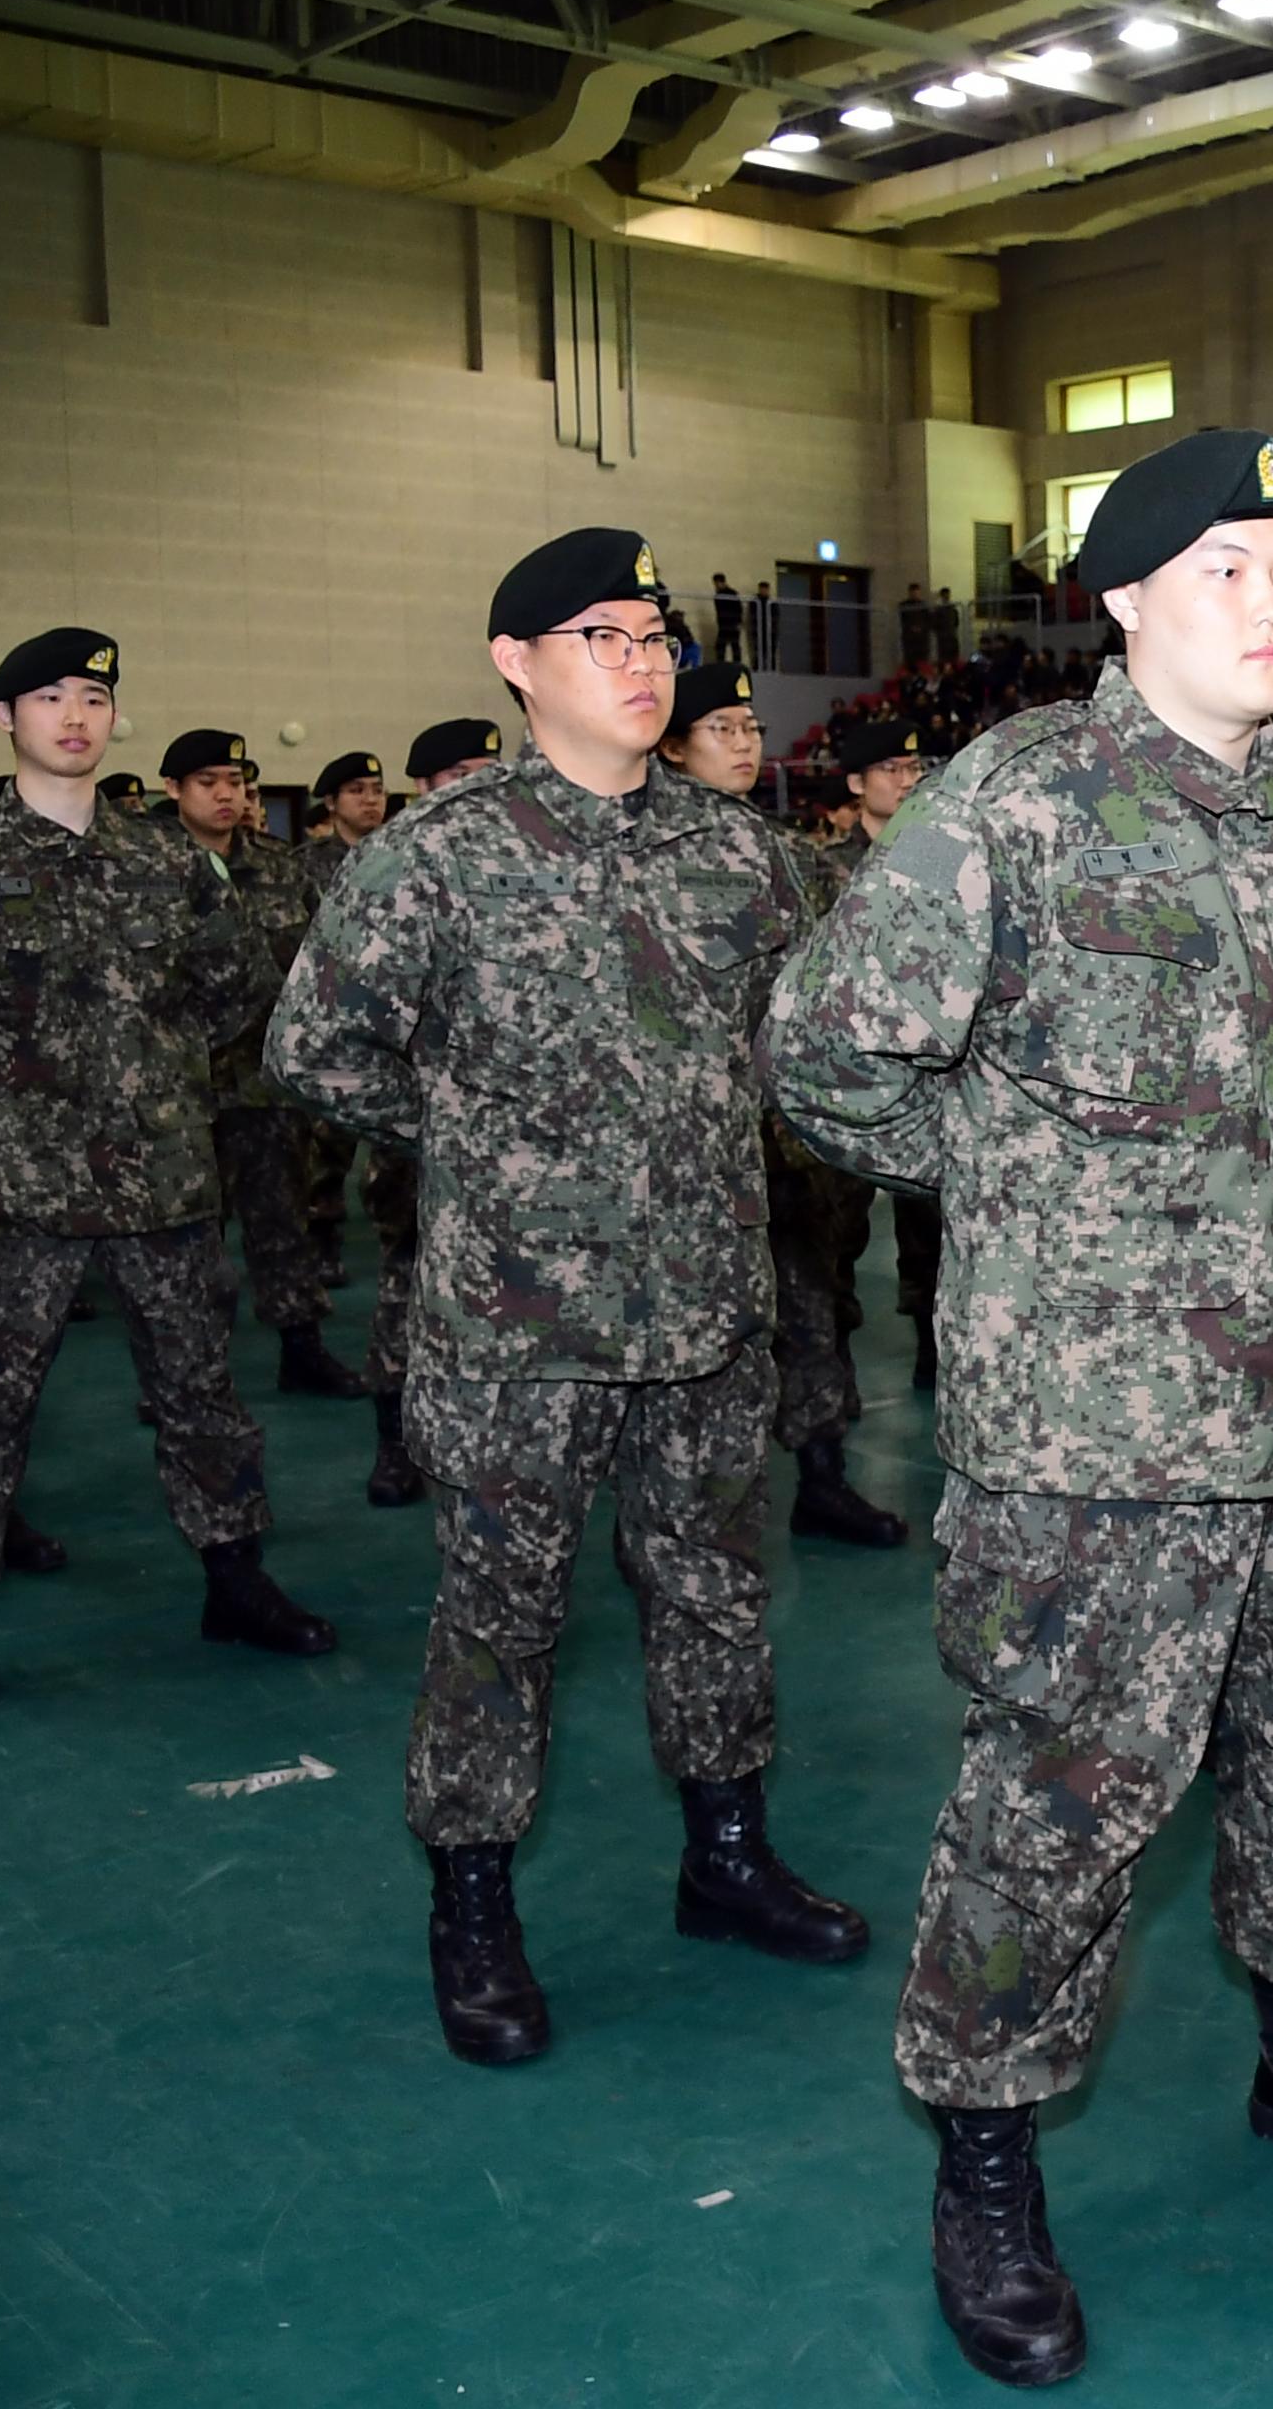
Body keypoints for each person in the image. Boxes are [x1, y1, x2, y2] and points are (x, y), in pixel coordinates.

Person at [763, 432, 1273, 2388]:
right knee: (1062, 1807)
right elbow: (826, 1053)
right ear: (1127, 601)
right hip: (1103, 1435)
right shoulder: (1022, 799)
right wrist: (1006, 1178)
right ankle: (987, 2153)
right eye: (1230, 573)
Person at [269, 530, 868, 2076]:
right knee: (500, 1623)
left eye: (655, 632)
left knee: (718, 1596)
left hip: (708, 1316)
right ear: (516, 663)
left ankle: (725, 1858)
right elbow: (316, 1051)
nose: (643, 660)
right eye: (601, 635)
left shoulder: (739, 853)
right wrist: (485, 1156)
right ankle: (472, 1907)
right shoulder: (440, 851)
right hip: (519, 1327)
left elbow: (788, 1057)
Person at [0, 630, 321, 1676]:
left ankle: (234, 1580)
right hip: (16, 1193)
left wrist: (151, 1075)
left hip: (162, 1180)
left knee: (200, 1392)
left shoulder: (168, 859)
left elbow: (233, 989)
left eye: (92, 695)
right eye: (49, 697)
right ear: (6, 720)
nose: (74, 714)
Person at [655, 669, 909, 1550]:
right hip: (683, 1150)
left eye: (750, 726)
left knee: (813, 1306)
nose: (743, 742)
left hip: (785, 1147)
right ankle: (686, 1506)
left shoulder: (789, 856)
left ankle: (823, 1475)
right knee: (689, 1330)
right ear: (673, 746)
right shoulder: (641, 863)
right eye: (719, 728)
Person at [154, 727, 367, 1404]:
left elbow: (319, 961)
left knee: (284, 1221)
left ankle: (300, 1350)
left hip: (268, 1084)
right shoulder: (146, 869)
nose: (227, 795)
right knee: (190, 1240)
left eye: (236, 783)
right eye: (208, 782)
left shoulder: (280, 867)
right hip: (179, 1089)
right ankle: (188, 1375)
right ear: (174, 790)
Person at [351, 718, 507, 1506]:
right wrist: (427, 1118)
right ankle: (393, 1439)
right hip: (419, 1130)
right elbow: (344, 1033)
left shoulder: (518, 865)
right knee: (407, 1285)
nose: (477, 783)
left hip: (510, 1144)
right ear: (424, 787)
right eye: (457, 773)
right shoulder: (399, 865)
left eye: (489, 767)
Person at [818, 720, 946, 1390]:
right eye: (891, 769)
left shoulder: (934, 859)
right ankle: (831, 1371)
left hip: (922, 1068)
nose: (907, 779)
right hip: (846, 1075)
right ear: (856, 782)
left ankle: (932, 1344)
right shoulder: (828, 865)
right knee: (835, 1228)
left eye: (914, 766)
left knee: (932, 1225)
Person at [293, 749, 395, 1276]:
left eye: (376, 791)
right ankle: (321, 1248)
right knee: (323, 1154)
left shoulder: (402, 858)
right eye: (357, 791)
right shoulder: (304, 867)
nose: (371, 801)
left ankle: (396, 1247)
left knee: (393, 1156)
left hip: (392, 1030)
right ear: (330, 802)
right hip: (331, 1029)